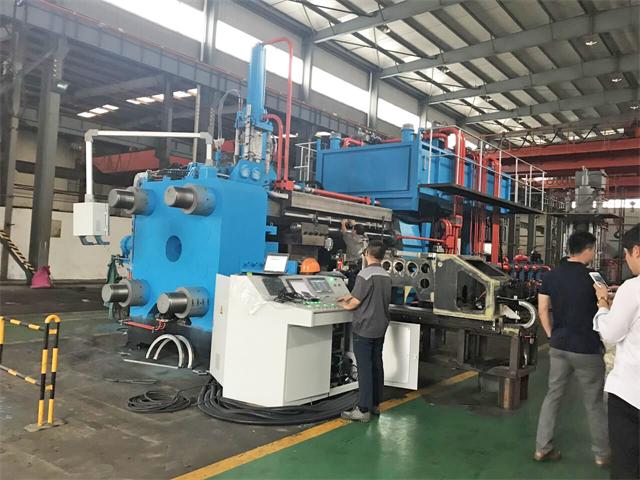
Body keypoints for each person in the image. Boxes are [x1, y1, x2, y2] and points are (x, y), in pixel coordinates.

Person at [534, 231, 609, 465]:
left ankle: (542, 448)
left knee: (553, 396)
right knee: (594, 402)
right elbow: (605, 307)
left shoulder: (551, 276)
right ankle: (602, 454)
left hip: (559, 346)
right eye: (593, 250)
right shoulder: (595, 277)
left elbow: (542, 309)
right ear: (588, 249)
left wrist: (551, 335)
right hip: (587, 348)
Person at [593, 224, 640, 479]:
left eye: (626, 255)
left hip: (631, 395)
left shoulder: (632, 288)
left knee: (626, 465)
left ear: (637, 251)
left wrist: (603, 303)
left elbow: (611, 333)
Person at [337, 240, 391, 423]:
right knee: (376, 364)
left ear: (367, 253)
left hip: (365, 328)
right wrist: (348, 296)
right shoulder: (386, 275)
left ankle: (363, 409)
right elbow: (364, 295)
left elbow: (354, 303)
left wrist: (341, 304)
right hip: (380, 327)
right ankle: (375, 404)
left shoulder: (365, 274)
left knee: (364, 368)